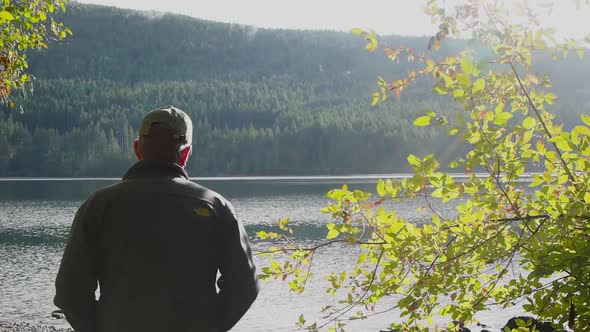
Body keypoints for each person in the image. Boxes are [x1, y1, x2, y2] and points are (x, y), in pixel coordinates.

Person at [54, 105, 258, 332]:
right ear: (185, 153)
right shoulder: (216, 207)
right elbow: (245, 287)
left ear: (137, 149)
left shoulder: (98, 206)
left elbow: (69, 292)